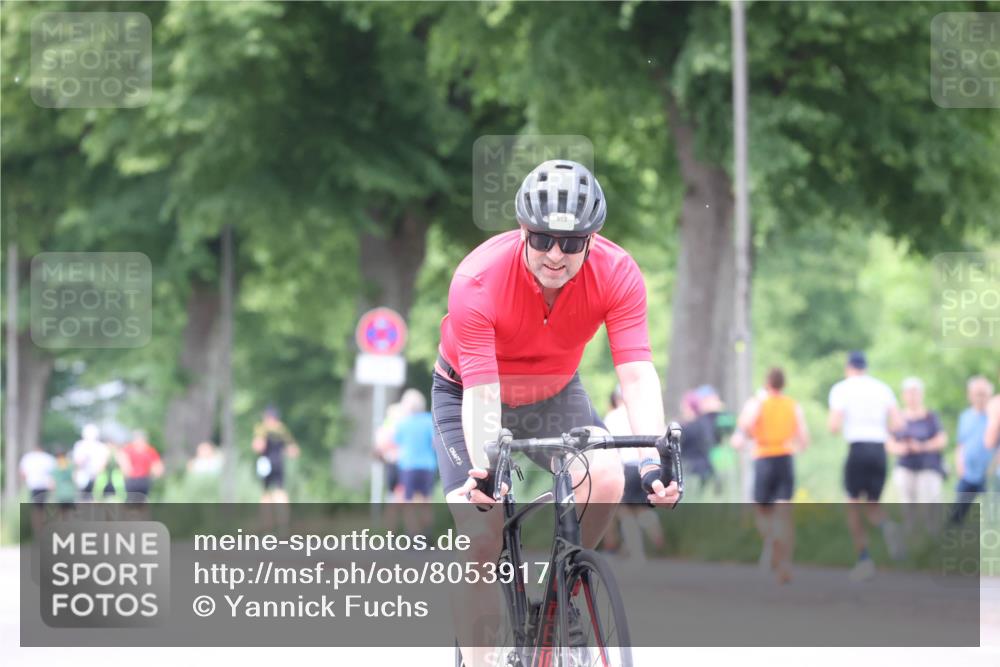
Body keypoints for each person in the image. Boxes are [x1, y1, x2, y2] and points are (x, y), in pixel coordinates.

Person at [431, 159, 679, 667]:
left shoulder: (618, 273)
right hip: (471, 394)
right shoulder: (477, 280)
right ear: (523, 229)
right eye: (542, 239)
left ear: (593, 238)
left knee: (606, 476)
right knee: (482, 531)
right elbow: (482, 393)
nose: (555, 254)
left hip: (554, 392)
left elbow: (635, 373)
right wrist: (485, 473)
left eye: (571, 243)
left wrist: (654, 458)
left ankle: (562, 587)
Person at [828, 351, 905, 581]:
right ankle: (888, 527)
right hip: (880, 449)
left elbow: (833, 425)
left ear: (848, 367)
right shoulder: (882, 389)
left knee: (852, 506)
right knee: (873, 506)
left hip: (858, 448)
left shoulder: (842, 388)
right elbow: (898, 422)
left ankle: (864, 559)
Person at [735, 368, 809, 584]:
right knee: (784, 514)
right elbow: (804, 438)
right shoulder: (792, 405)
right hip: (785, 457)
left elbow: (745, 424)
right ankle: (785, 562)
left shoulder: (759, 401)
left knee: (762, 512)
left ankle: (771, 541)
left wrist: (750, 436)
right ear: (783, 384)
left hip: (764, 457)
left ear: (767, 383)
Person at [601, 385, 665, 561]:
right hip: (648, 466)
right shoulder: (646, 414)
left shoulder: (613, 416)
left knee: (624, 512)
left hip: (626, 467)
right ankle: (652, 525)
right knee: (642, 507)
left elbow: (608, 447)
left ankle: (636, 553)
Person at [888, 377, 947, 532]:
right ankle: (912, 539)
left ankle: (933, 539)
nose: (912, 396)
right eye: (909, 393)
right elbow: (889, 442)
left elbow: (941, 439)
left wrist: (922, 446)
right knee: (907, 506)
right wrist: (902, 448)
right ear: (904, 395)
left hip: (928, 467)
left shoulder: (930, 417)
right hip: (906, 467)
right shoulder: (898, 417)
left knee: (931, 505)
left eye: (915, 393)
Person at [392, 389, 438, 537]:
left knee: (409, 502)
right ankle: (428, 534)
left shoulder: (403, 423)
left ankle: (413, 535)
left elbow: (396, 442)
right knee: (426, 500)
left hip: (408, 466)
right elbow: (434, 443)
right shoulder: (429, 420)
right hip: (427, 466)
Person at [951, 376, 994, 524]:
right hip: (968, 474)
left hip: (991, 475)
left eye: (984, 393)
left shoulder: (995, 416)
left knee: (992, 514)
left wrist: (993, 467)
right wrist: (959, 464)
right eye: (977, 394)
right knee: (957, 513)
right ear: (970, 395)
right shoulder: (965, 416)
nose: (980, 398)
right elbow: (961, 444)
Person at [252, 406, 299, 504]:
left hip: (267, 462)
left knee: (267, 491)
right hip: (278, 462)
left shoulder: (262, 429)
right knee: (279, 491)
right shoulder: (281, 429)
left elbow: (258, 447)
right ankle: (282, 518)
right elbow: (293, 450)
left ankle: (268, 517)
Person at [119, 430, 165, 502]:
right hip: (144, 481)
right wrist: (152, 476)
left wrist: (125, 476)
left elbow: (125, 467)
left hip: (132, 481)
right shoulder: (150, 450)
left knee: (130, 503)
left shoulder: (128, 449)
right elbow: (158, 470)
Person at [72, 423, 109, 500]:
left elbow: (104, 464)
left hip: (97, 478)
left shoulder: (101, 447)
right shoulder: (80, 445)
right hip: (83, 477)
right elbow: (77, 463)